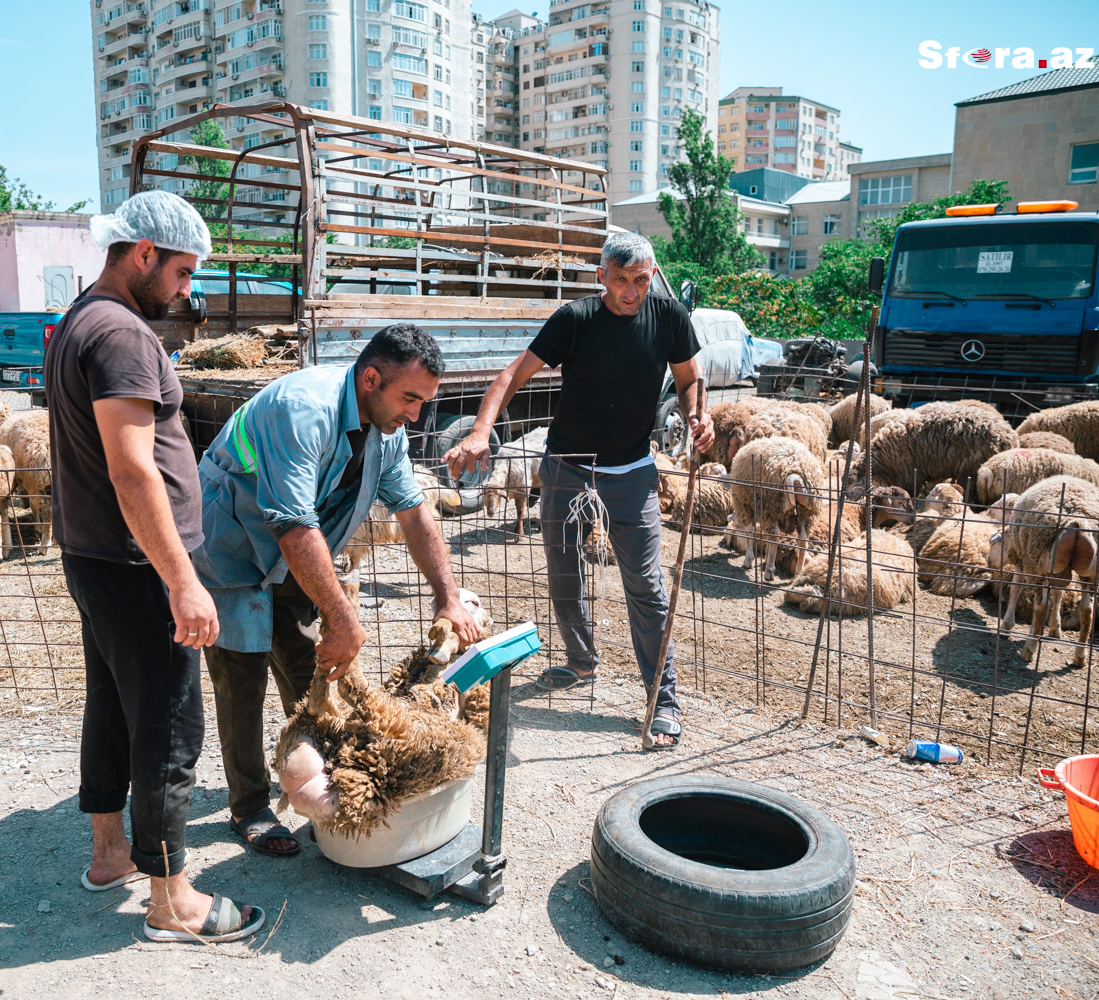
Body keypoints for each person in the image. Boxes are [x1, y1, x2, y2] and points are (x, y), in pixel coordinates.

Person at [46, 190, 262, 944]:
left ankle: (111, 856)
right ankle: (173, 900)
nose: (186, 290)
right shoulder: (125, 336)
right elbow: (134, 471)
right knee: (170, 726)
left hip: (96, 554)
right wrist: (182, 579)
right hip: (139, 564)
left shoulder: (79, 319)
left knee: (111, 705)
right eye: (179, 273)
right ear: (142, 255)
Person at [194, 324, 481, 855]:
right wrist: (343, 614)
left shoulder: (387, 430)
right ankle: (251, 805)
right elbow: (293, 523)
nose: (416, 415)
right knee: (243, 671)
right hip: (232, 543)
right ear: (371, 378)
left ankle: (327, 775)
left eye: (424, 402)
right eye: (410, 398)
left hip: (295, 554)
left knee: (314, 668)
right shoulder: (303, 411)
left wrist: (447, 593)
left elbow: (413, 512)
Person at [443, 232, 715, 748]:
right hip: (566, 464)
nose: (631, 292)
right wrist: (480, 433)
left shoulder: (671, 318)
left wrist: (699, 415)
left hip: (632, 468)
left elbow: (689, 379)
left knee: (647, 585)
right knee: (564, 571)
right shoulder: (575, 319)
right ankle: (580, 661)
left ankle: (663, 700)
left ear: (653, 274)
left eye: (641, 280)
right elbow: (509, 376)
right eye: (620, 281)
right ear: (601, 277)